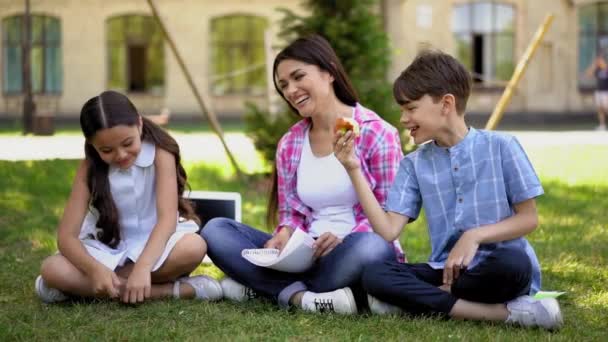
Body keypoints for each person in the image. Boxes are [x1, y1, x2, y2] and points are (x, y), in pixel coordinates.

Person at [334, 50, 563, 329]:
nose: (404, 118)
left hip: (499, 268)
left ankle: (418, 301)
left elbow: (529, 219)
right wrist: (353, 168)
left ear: (446, 104)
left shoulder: (502, 147)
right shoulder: (413, 164)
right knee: (375, 275)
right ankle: (507, 314)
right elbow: (388, 231)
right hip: (446, 274)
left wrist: (474, 236)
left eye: (410, 108)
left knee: (513, 263)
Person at [201, 34, 404, 314]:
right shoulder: (291, 142)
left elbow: (387, 213)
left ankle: (265, 288)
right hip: (303, 255)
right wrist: (285, 234)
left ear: (329, 72)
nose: (291, 90)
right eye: (284, 85)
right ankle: (305, 297)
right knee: (216, 230)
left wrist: (343, 241)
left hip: (352, 251)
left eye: (298, 77)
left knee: (371, 246)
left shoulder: (377, 133)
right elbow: (291, 212)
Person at [35, 90, 222, 304]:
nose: (121, 155)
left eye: (127, 143)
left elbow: (167, 220)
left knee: (194, 247)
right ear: (92, 145)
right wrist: (95, 270)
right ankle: (174, 290)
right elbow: (66, 236)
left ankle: (80, 290)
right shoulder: (89, 167)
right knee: (52, 268)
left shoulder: (161, 154)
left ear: (139, 125)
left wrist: (142, 268)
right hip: (107, 249)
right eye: (107, 150)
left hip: (157, 247)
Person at [585, 53, 608, 131]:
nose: (599, 62)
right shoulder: (597, 70)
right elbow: (588, 74)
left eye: (600, 60)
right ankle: (602, 125)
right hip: (598, 92)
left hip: (606, 92)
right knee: (599, 109)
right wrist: (593, 65)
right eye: (598, 60)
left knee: (606, 108)